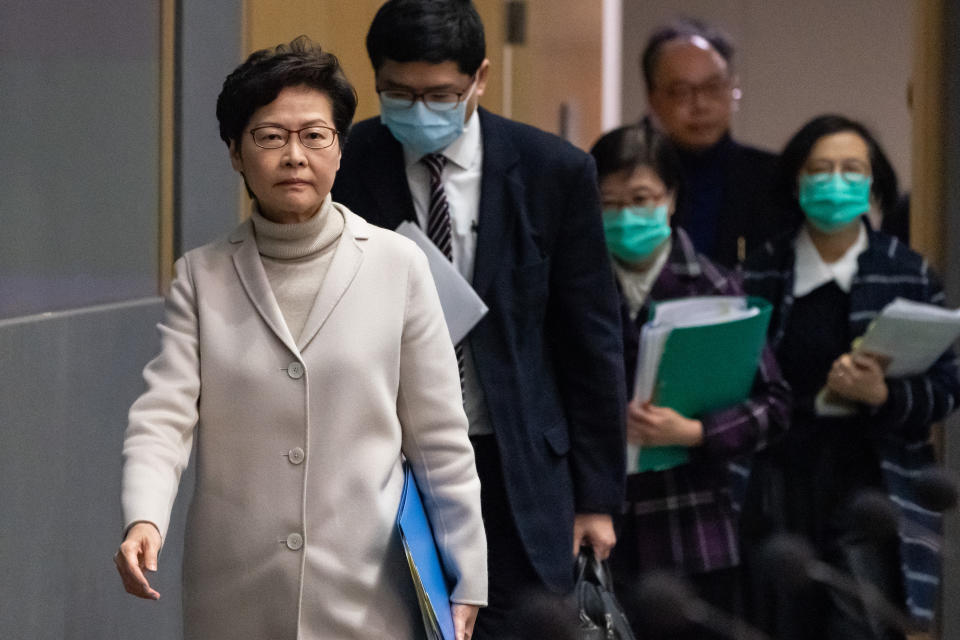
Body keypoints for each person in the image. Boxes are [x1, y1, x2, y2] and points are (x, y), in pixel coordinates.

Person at [114, 37, 487, 640]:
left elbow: (439, 437)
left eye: (315, 135)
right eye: (269, 137)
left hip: (371, 588)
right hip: (235, 589)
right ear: (235, 152)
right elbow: (163, 417)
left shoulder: (398, 265)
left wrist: (467, 573)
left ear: (339, 148)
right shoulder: (201, 277)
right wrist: (144, 518)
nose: (295, 155)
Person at [331, 1, 627, 637]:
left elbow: (591, 340)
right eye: (398, 94)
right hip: (392, 459)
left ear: (480, 78)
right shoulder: (346, 164)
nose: (418, 109)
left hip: (515, 459)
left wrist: (597, 497)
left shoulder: (553, 171)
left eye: (440, 94)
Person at [741, 114, 960, 639]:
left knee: (859, 623)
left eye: (851, 169)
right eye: (821, 169)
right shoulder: (762, 270)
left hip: (871, 484)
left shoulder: (906, 270)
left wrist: (884, 393)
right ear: (797, 182)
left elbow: (948, 386)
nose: (835, 181)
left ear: (872, 183)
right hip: (779, 481)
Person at [589, 124, 791, 637]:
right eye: (609, 202)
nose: (625, 216)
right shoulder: (573, 282)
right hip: (594, 522)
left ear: (672, 197)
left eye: (641, 199)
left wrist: (697, 432)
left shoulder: (716, 285)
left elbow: (774, 405)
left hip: (691, 527)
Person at [641, 18, 788, 268]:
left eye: (713, 87)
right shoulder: (629, 182)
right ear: (653, 100)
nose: (700, 105)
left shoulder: (776, 179)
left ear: (734, 89)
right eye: (681, 91)